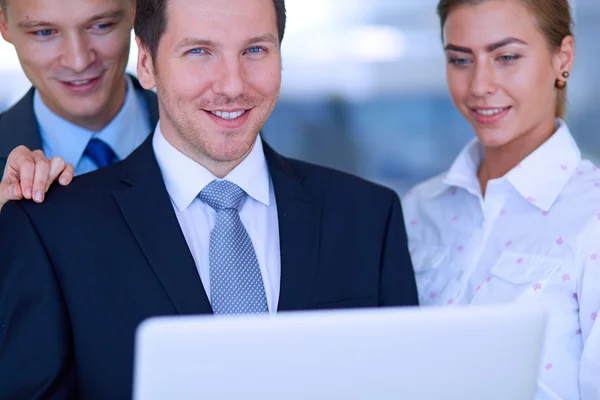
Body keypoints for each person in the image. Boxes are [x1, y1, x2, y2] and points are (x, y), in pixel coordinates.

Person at [0, 0, 418, 398]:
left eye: (255, 49)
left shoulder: (368, 218)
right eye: (200, 51)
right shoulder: (52, 230)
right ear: (146, 63)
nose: (233, 85)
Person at [402, 0, 600, 399]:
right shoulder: (419, 207)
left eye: (506, 57)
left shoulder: (592, 218)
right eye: (460, 60)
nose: (479, 85)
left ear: (562, 58)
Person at [0, 0, 158, 211]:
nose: (79, 62)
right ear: (4, 25)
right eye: (45, 32)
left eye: (101, 26)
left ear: (135, 10)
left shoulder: (208, 141)